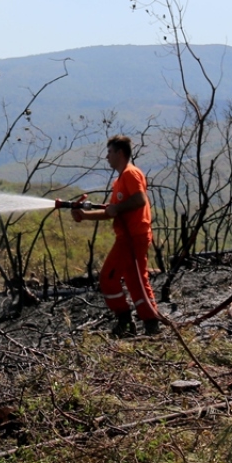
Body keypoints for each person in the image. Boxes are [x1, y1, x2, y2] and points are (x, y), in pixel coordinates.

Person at [71, 135, 160, 337]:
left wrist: (118, 207)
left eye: (109, 152)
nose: (107, 157)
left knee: (108, 278)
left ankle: (127, 321)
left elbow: (140, 200)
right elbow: (111, 211)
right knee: (135, 280)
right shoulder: (119, 180)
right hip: (129, 237)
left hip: (133, 238)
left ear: (119, 153)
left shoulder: (130, 174)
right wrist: (85, 216)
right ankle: (149, 323)